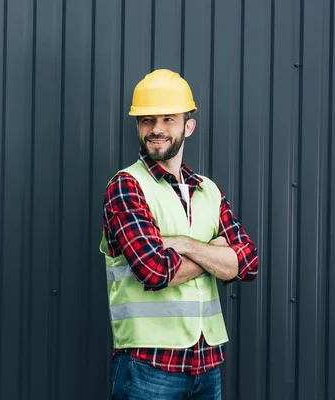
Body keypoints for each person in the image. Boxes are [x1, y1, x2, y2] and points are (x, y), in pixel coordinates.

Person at [100, 69, 258, 399]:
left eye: (168, 119)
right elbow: (154, 271)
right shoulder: (126, 186)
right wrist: (214, 255)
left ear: (188, 126)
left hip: (207, 365)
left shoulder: (208, 190)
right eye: (147, 120)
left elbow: (247, 263)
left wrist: (185, 245)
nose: (156, 129)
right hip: (148, 367)